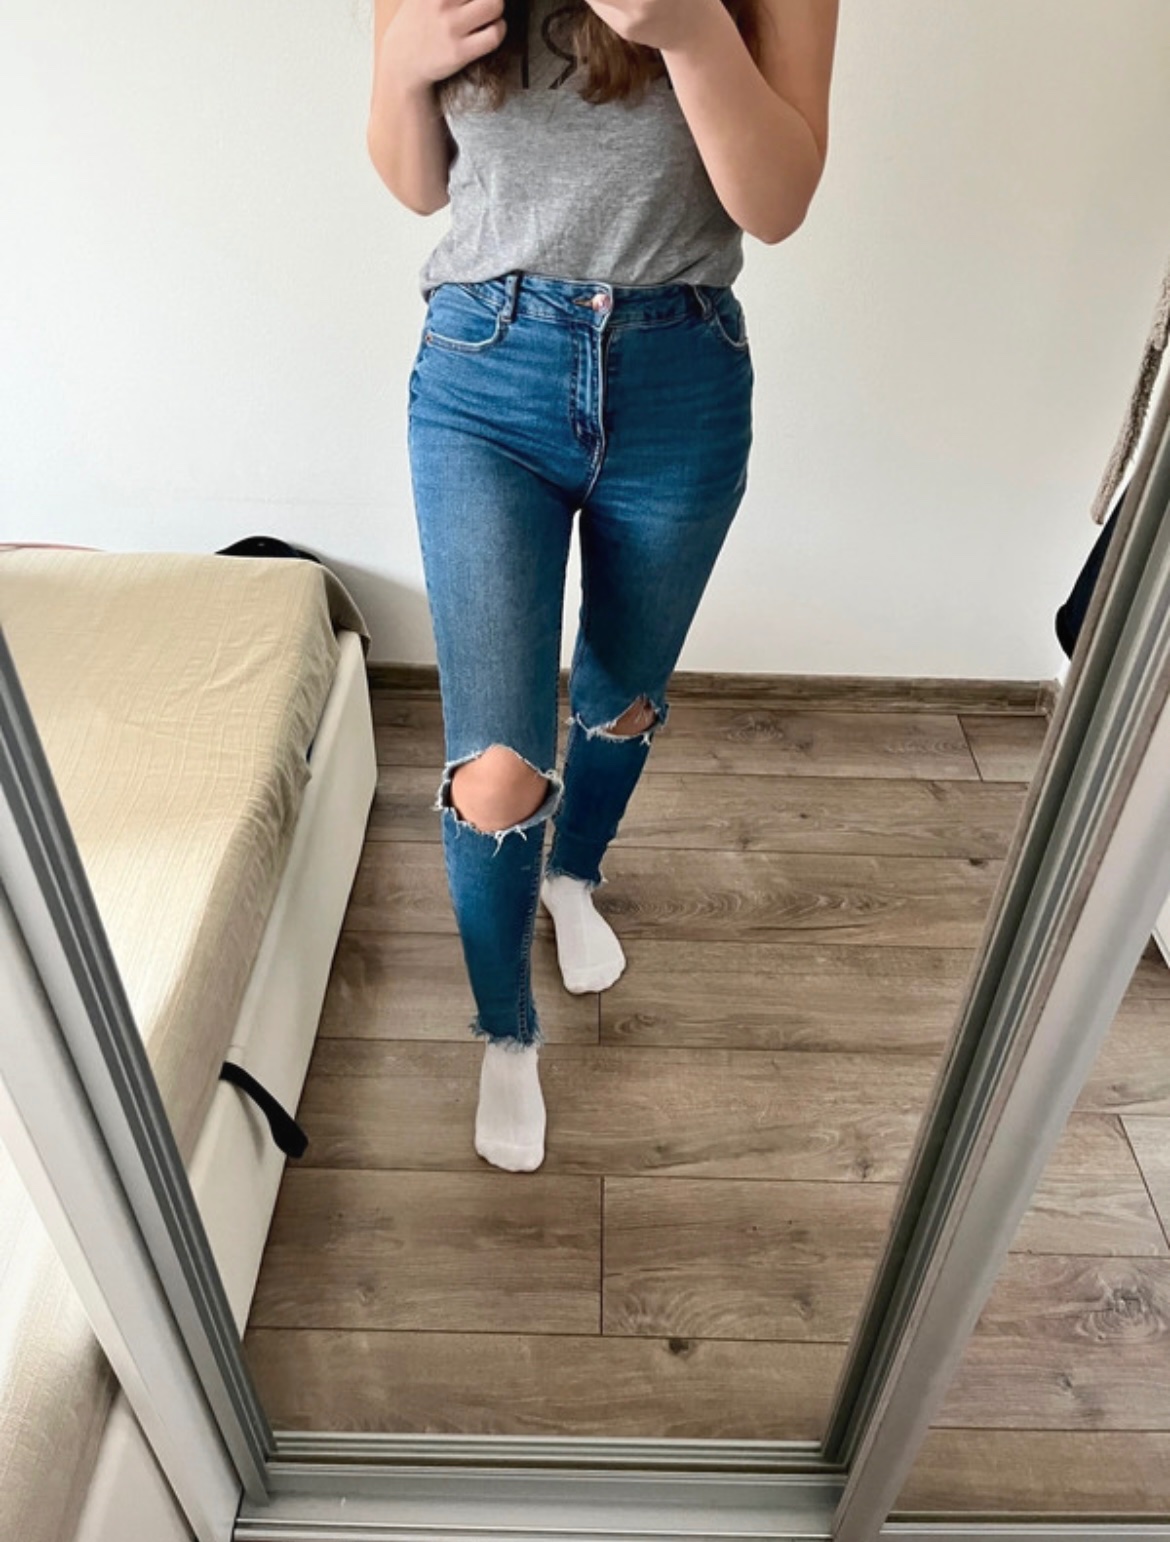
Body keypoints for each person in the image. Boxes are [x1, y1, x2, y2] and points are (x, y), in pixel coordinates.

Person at [367, 0, 839, 1172]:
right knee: (494, 769)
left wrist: (693, 33)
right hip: (485, 373)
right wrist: (405, 63)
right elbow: (416, 183)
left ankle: (573, 878)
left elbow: (777, 204)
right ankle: (506, 1031)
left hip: (682, 373)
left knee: (622, 692)